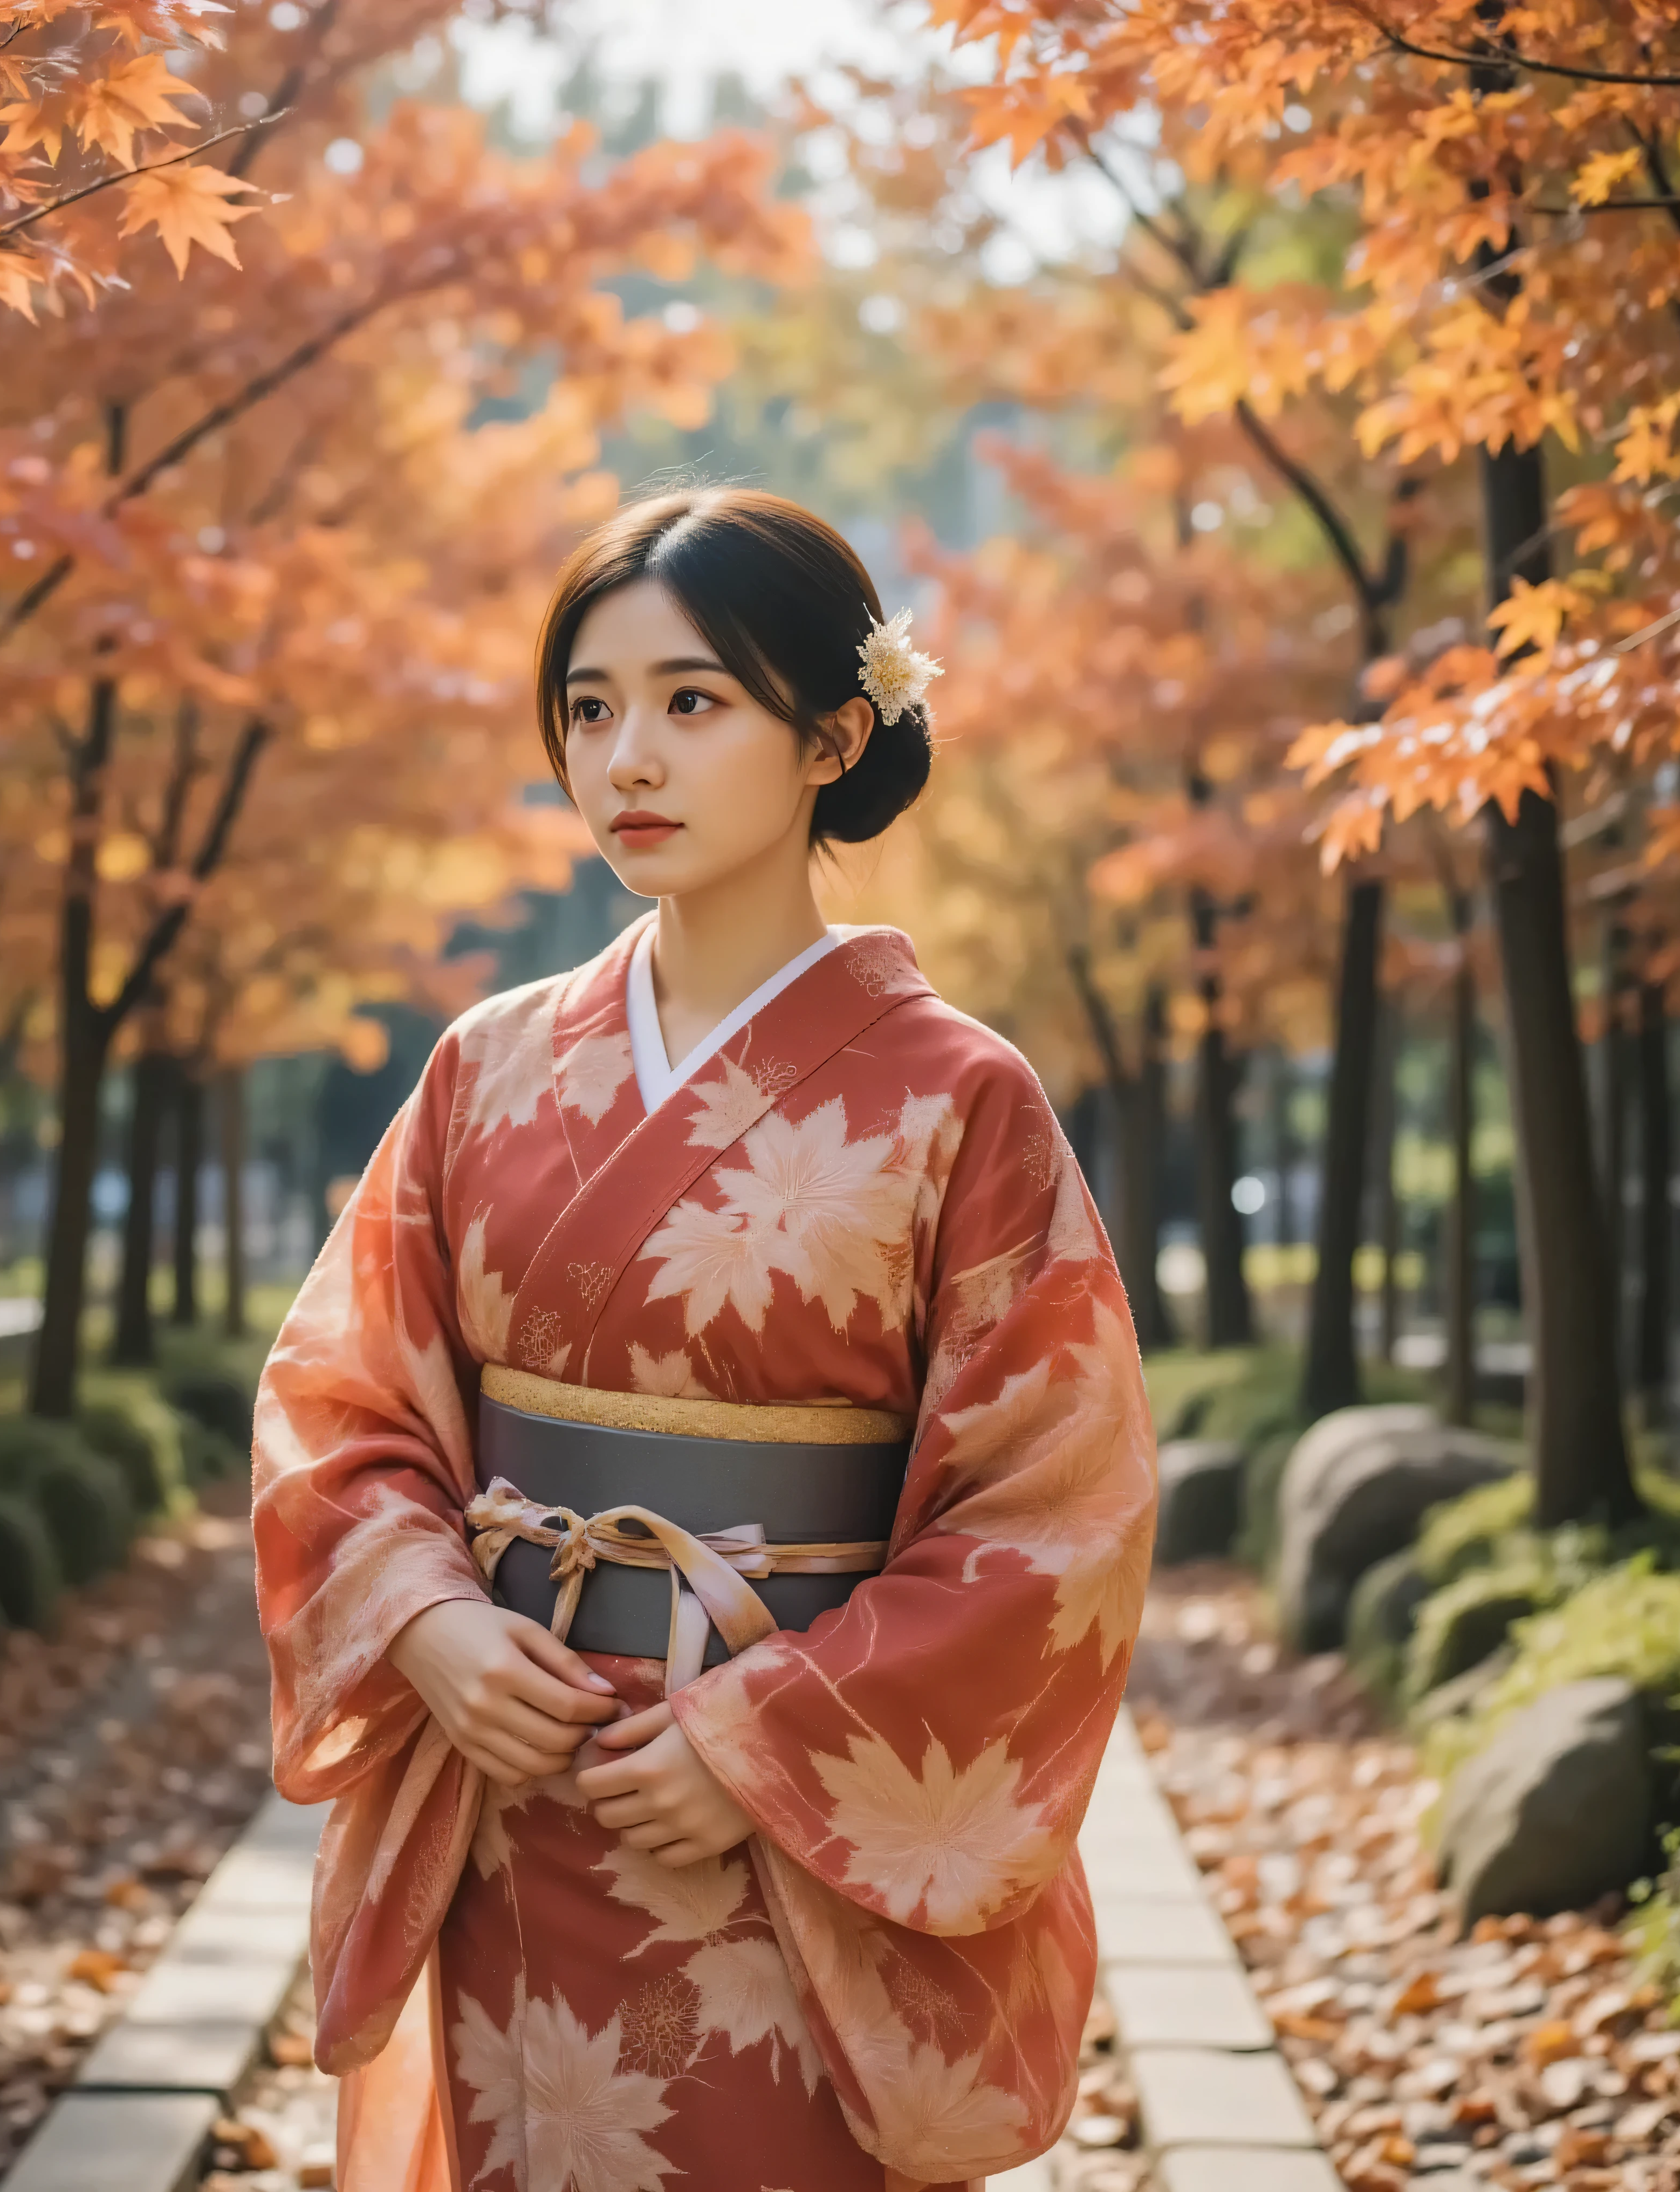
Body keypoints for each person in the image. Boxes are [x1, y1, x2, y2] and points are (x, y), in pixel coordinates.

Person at [252, 487, 1157, 2191]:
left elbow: (1057, 1515)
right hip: (513, 1780)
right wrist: (427, 1622)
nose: (628, 760)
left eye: (692, 701)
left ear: (831, 738)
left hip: (789, 1836)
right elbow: (339, 1399)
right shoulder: (485, 1068)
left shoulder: (961, 1098)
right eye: (589, 709)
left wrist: (768, 1745)